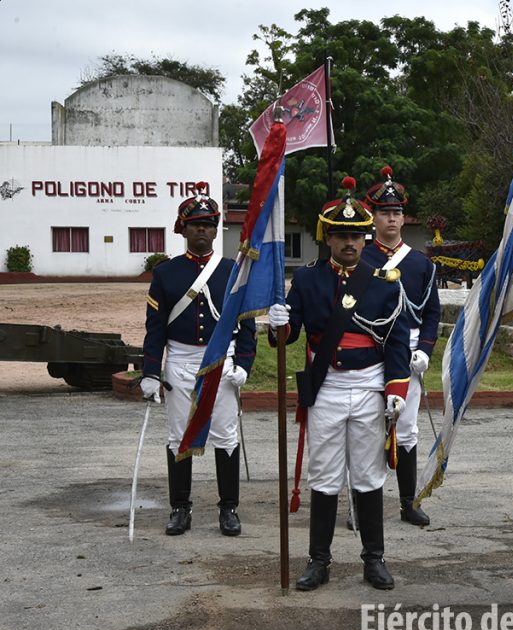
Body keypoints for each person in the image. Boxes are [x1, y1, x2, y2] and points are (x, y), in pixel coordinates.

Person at [267, 176, 410, 592]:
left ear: (365, 239)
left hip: (368, 387)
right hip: (326, 386)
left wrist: (396, 390)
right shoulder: (307, 280)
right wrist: (278, 324)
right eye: (342, 235)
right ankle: (319, 561)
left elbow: (396, 341)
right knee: (325, 476)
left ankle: (374, 559)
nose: (350, 242)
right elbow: (290, 335)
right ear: (327, 238)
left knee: (368, 476)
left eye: (356, 235)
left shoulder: (384, 282)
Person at [140, 181, 256, 537]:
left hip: (222, 361)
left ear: (216, 229)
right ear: (183, 229)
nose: (202, 230)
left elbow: (246, 323)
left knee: (225, 435)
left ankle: (229, 508)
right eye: (195, 225)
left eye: (207, 224)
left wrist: (244, 364)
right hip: (180, 361)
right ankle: (180, 507)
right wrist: (150, 372)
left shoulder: (232, 270)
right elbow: (155, 328)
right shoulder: (166, 273)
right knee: (179, 436)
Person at [361, 165, 441, 527]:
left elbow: (431, 312)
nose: (391, 219)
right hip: (370, 349)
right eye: (384, 213)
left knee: (407, 429)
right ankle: (364, 503)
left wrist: (425, 348)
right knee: (367, 428)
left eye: (396, 212)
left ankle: (408, 502)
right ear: (373, 217)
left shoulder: (420, 263)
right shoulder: (362, 259)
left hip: (408, 354)